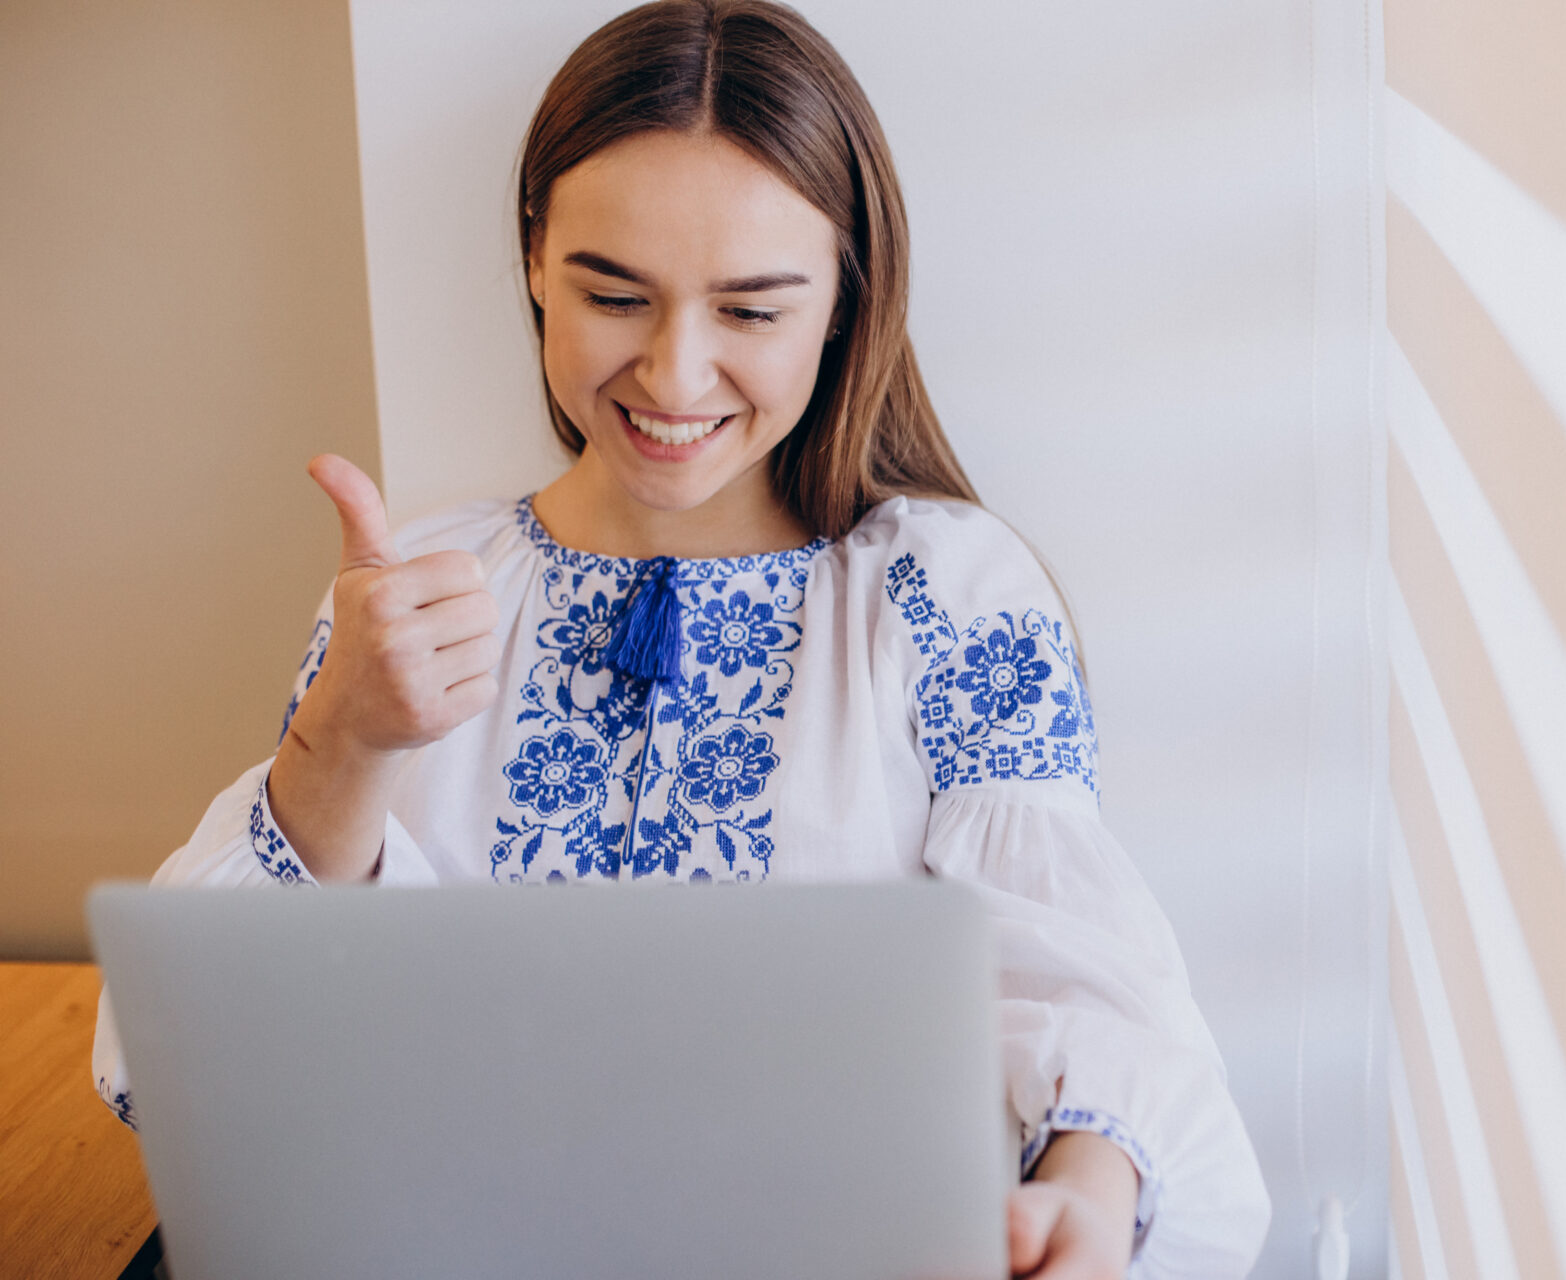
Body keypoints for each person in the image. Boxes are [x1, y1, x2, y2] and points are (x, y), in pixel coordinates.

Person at [91, 1, 1271, 1275]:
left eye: (752, 312)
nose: (675, 374)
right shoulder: (420, 586)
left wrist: (1083, 1201)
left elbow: (1099, 992)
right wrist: (344, 737)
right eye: (614, 293)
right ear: (535, 258)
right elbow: (180, 1067)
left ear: (842, 301)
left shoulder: (942, 592)